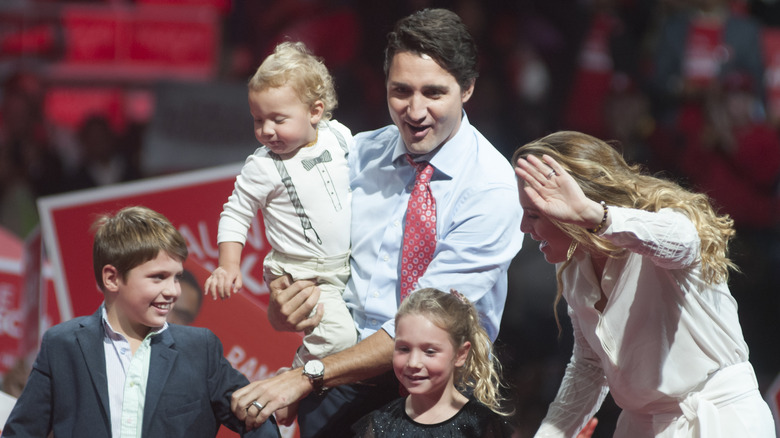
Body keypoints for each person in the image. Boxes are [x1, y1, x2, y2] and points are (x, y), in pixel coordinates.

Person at [229, 8, 524, 438]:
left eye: (434, 93)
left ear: (468, 89)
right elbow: (310, 261)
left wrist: (306, 375)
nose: (415, 110)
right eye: (401, 91)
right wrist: (285, 304)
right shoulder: (355, 154)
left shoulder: (492, 188)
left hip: (438, 397)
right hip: (336, 386)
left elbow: (427, 324)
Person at [512, 131, 776, 437]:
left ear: (578, 203)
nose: (523, 227)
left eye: (533, 214)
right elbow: (589, 368)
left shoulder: (658, 225)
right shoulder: (573, 266)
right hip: (640, 425)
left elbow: (684, 241)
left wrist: (593, 215)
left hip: (721, 421)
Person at [2, 206, 281, 438]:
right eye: (158, 277)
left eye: (177, 277)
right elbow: (21, 433)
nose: (173, 291)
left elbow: (258, 421)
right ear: (112, 278)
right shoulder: (62, 345)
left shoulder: (200, 350)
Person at [204, 41, 357, 370]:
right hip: (304, 274)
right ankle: (298, 373)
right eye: (258, 120)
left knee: (357, 337)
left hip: (348, 265)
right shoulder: (262, 166)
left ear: (315, 111)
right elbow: (236, 212)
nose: (266, 130)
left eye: (278, 119)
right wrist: (229, 265)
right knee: (339, 339)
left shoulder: (340, 136)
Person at [351, 288, 514, 437]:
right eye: (404, 349)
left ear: (460, 354)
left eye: (429, 351)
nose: (413, 363)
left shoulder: (479, 424)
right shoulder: (379, 425)